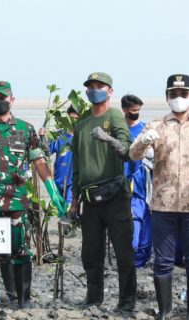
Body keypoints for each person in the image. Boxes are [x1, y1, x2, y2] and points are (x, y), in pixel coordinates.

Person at [0, 80, 66, 309]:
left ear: (12, 99)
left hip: (15, 200)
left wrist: (52, 189)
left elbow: (38, 160)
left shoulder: (26, 129)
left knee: (20, 251)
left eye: (3, 98)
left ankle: (24, 301)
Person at [130, 74, 189, 320]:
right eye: (173, 94)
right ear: (167, 97)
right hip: (164, 206)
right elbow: (133, 156)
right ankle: (165, 311)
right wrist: (142, 142)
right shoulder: (156, 126)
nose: (179, 98)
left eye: (183, 94)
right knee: (162, 262)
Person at [68, 72, 136, 315]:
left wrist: (108, 139)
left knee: (123, 252)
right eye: (91, 86)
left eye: (100, 86)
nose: (94, 90)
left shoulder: (115, 116)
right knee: (90, 253)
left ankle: (126, 302)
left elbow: (127, 151)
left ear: (110, 91)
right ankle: (93, 298)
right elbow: (76, 167)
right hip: (89, 198)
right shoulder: (82, 124)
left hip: (115, 195)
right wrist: (74, 202)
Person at [121, 94, 153, 268]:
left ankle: (141, 260)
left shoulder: (144, 130)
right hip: (126, 187)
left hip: (146, 184)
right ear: (124, 110)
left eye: (138, 111)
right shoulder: (120, 131)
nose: (136, 114)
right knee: (134, 223)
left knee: (148, 226)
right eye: (133, 111)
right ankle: (131, 259)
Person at [37, 105, 80, 203]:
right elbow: (45, 152)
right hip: (58, 180)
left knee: (69, 209)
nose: (74, 121)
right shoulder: (58, 135)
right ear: (67, 119)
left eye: (77, 119)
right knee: (59, 209)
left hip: (74, 183)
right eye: (71, 119)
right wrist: (42, 137)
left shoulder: (83, 137)